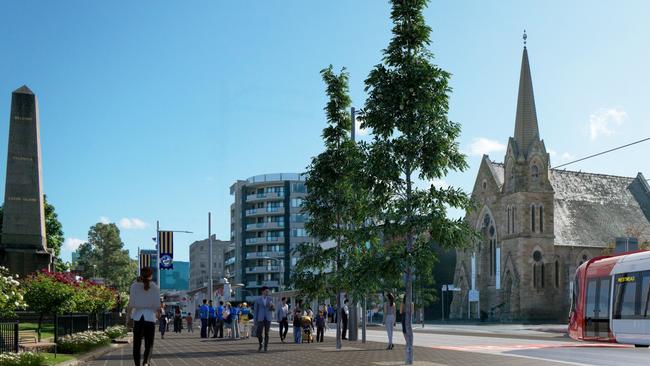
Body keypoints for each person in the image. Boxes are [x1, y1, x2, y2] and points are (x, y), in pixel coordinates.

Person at [127, 267, 160, 366]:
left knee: (136, 345)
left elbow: (131, 304)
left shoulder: (133, 286)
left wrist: (128, 317)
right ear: (151, 276)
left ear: (141, 275)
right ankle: (146, 362)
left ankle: (137, 364)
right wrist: (158, 314)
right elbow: (157, 305)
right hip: (150, 317)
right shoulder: (155, 287)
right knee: (149, 344)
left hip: (138, 317)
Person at [253, 286, 274, 352]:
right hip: (260, 318)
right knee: (259, 333)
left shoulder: (270, 299)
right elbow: (255, 310)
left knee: (267, 333)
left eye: (268, 291)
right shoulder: (258, 300)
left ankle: (266, 346)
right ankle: (261, 344)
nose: (267, 292)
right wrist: (255, 320)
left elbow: (273, 309)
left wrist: (271, 307)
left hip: (268, 318)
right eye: (266, 291)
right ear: (262, 292)